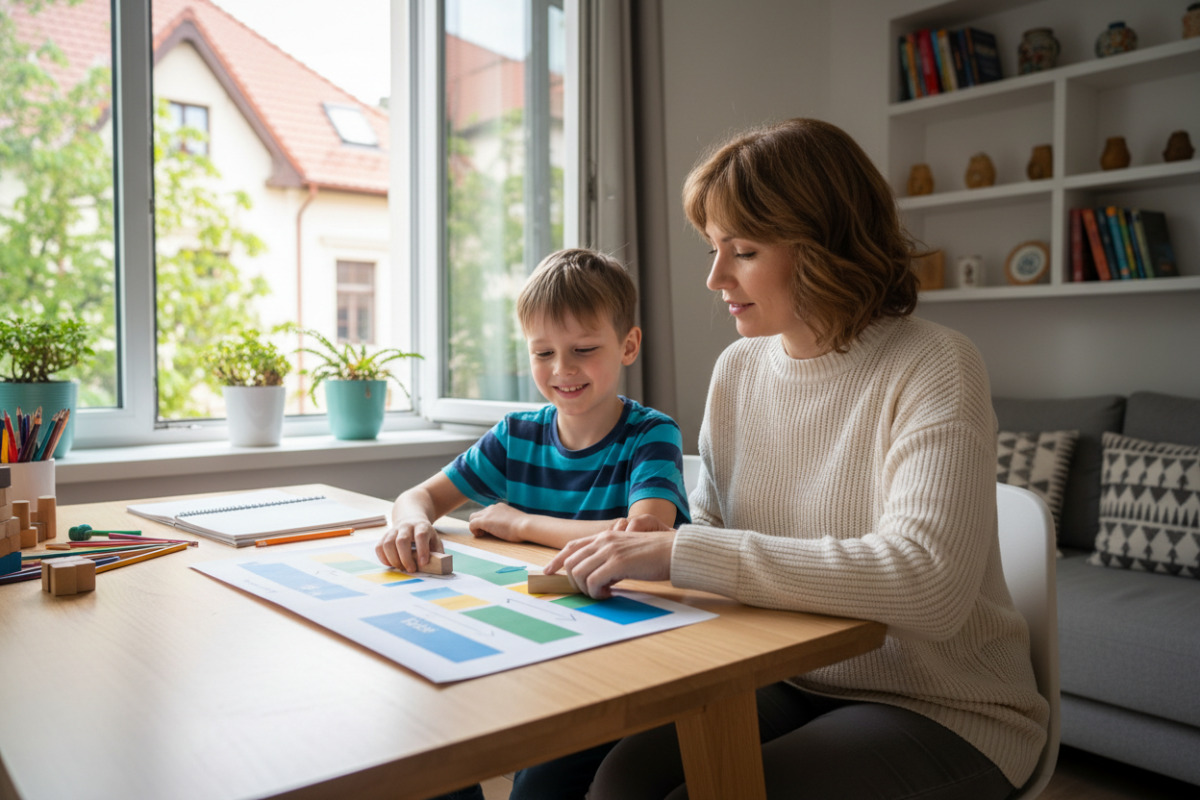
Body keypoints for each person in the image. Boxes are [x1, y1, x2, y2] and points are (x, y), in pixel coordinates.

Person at [542, 118, 1049, 799]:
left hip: (943, 705)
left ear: (825, 247)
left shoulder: (936, 363)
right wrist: (644, 557)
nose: (715, 277)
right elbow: (713, 541)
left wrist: (681, 552)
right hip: (788, 674)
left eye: (743, 251)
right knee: (621, 780)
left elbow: (927, 585)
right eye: (714, 249)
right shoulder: (738, 369)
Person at [375, 247, 691, 800]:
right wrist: (410, 524)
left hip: (618, 660)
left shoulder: (651, 434)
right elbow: (419, 496)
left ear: (628, 345)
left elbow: (642, 535)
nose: (562, 369)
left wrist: (522, 523)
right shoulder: (517, 435)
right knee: (429, 754)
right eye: (543, 352)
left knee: (538, 789)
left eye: (583, 350)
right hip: (527, 644)